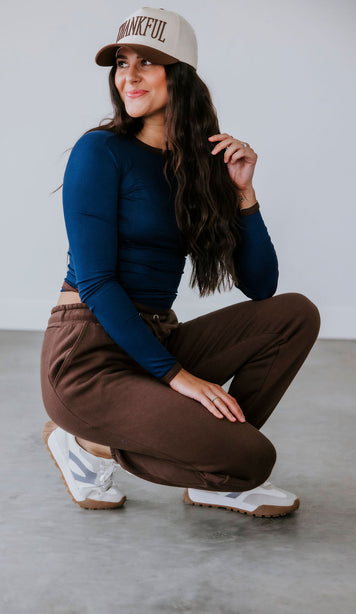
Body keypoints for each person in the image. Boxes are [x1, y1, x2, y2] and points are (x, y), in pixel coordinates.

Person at [40, 7, 320, 517]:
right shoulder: (100, 151)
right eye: (122, 62)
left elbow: (261, 286)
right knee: (254, 459)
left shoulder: (200, 165)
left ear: (181, 74)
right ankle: (85, 444)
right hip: (89, 356)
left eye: (147, 62)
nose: (129, 75)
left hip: (156, 337)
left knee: (295, 314)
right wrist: (178, 378)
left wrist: (244, 194)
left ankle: (216, 474)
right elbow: (97, 282)